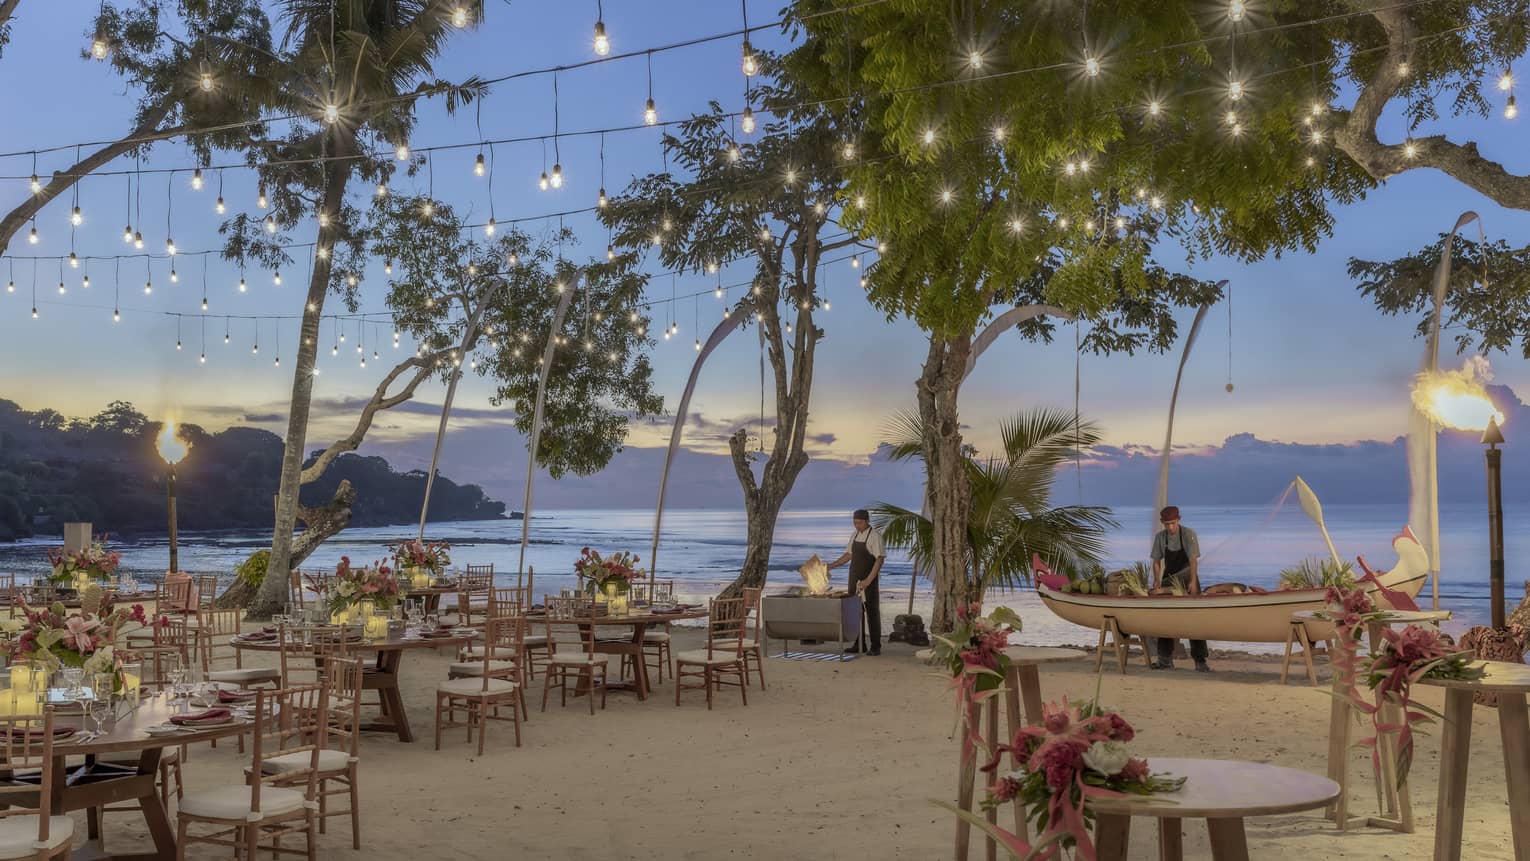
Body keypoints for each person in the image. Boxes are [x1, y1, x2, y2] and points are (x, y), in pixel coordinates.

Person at [1150, 505, 1210, 672]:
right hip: (1169, 578)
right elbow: (1156, 561)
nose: (1170, 527)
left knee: (1195, 620)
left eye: (1173, 523)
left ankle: (1200, 661)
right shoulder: (1160, 538)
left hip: (1188, 577)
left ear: (1179, 520)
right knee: (1165, 620)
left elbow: (1193, 560)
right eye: (1167, 524)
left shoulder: (1188, 534)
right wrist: (1156, 580)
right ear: (1162, 522)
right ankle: (1164, 660)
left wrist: (1192, 581)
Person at [825, 509, 885, 656]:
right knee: (856, 612)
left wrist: (868, 580)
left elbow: (880, 559)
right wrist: (831, 565)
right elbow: (849, 555)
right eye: (854, 523)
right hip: (853, 578)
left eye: (859, 522)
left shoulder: (875, 536)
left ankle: (876, 646)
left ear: (867, 521)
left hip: (868, 580)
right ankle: (860, 644)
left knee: (872, 613)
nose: (856, 525)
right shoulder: (855, 535)